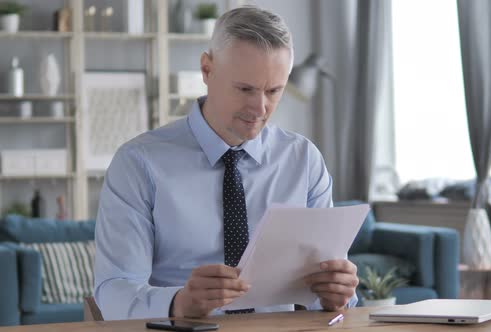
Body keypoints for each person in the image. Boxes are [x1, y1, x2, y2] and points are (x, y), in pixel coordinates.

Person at [94, 6, 358, 320]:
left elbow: (326, 297)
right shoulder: (138, 164)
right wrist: (180, 303)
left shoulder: (304, 161)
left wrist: (337, 294)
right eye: (245, 89)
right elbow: (113, 292)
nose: (259, 107)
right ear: (207, 69)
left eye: (274, 91)